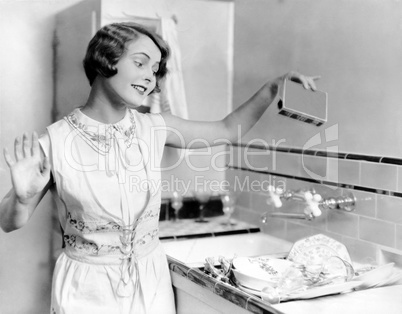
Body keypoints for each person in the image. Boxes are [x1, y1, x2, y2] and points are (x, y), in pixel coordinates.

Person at [0, 22, 319, 313]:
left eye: (154, 69)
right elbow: (9, 222)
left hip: (150, 279)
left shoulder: (154, 127)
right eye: (139, 63)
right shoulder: (54, 141)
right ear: (105, 61)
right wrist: (23, 199)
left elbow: (226, 130)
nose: (149, 77)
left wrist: (272, 89)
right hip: (86, 288)